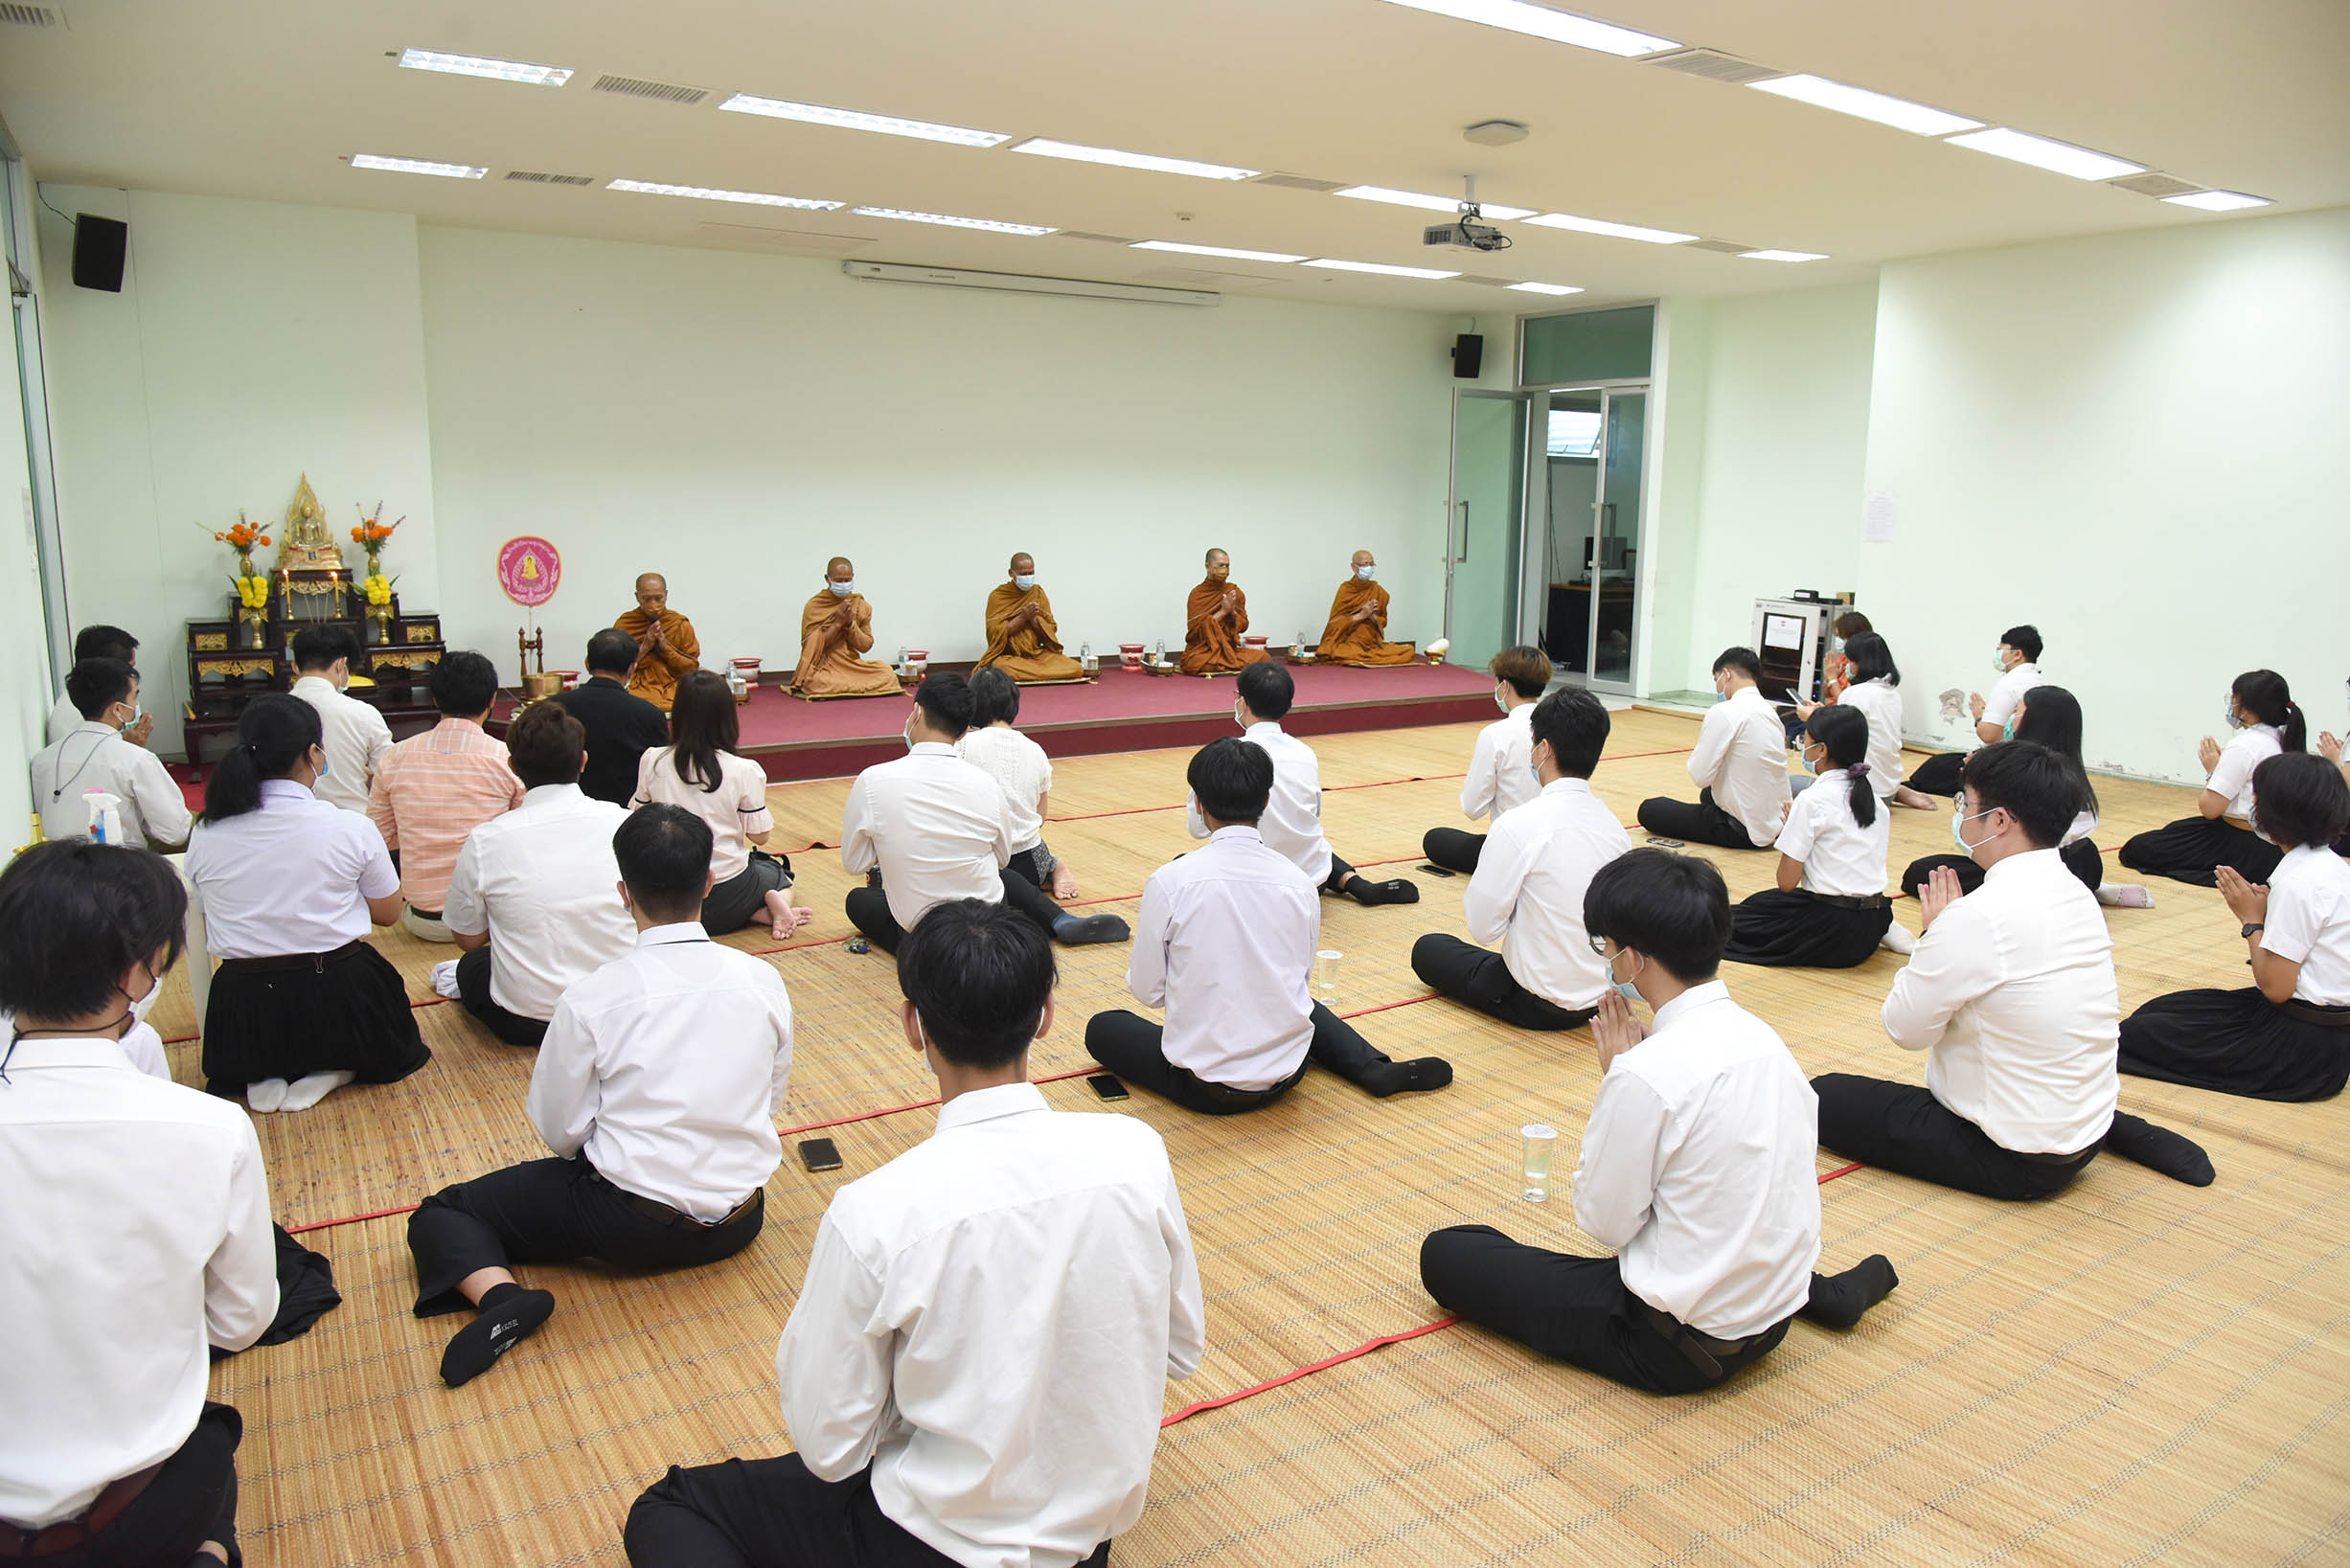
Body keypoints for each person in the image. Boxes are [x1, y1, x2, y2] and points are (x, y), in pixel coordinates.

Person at [623, 898, 1203, 1568]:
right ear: (1045, 1014)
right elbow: (1181, 1349)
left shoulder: (875, 1210)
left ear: (913, 1026)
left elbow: (830, 1448)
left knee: (671, 1506)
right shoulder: (1135, 1152)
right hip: (1082, 1546)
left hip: (925, 1542)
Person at [1418, 850, 1898, 1395]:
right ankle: (1824, 1297)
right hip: (1773, 1316)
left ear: (1633, 959)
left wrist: (1619, 1080)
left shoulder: (1646, 1074)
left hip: (1675, 1346)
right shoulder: (1764, 1040)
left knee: (1450, 1253)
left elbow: (1604, 1223)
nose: (1606, 960)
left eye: (1604, 946)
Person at [406, 807, 791, 1389]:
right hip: (741, 1218)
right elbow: (770, 1099)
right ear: (710, 883)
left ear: (623, 893)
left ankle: (502, 1298)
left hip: (628, 1226)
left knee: (446, 1212)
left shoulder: (594, 996)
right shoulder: (762, 979)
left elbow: (558, 1128)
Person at [0, 840, 275, 1567]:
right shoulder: (210, 1129)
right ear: (134, 973)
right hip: (134, 1511)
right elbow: (241, 1320)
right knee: (209, 1435)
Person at [1812, 741, 2214, 1199]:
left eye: (1966, 804)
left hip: (2014, 1157)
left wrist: (1935, 935)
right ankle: (2116, 1130)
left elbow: (1905, 1030)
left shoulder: (1977, 915)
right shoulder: (2076, 892)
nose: (1960, 815)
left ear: (2000, 820)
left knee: (1824, 1095)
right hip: (2087, 1127)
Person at [1086, 738, 1451, 1112]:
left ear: (1198, 803)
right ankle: (1370, 1067)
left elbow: (1148, 991)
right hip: (1290, 1072)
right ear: (1265, 801)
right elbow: (1299, 981)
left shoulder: (1170, 881)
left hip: (1208, 1088)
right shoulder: (1299, 882)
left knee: (1104, 1027)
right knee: (1287, 996)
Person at [188, 694, 428, 1112]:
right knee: (370, 971)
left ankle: (261, 1070)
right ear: (314, 753)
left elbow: (212, 911)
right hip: (334, 991)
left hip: (245, 1004)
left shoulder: (207, 830)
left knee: (266, 984)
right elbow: (389, 914)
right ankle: (336, 1066)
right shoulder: (349, 826)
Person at [2118, 754, 2350, 1101]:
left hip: (2299, 1050)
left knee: (2137, 1035)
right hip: (2317, 1032)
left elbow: (2276, 988)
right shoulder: (2328, 864)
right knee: (2166, 1009)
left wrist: (2251, 920)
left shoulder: (2300, 883)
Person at [841, 673, 1129, 952]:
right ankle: (1058, 920)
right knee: (1003, 876)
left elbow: (855, 862)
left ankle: (923, 952)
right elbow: (1001, 858)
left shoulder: (872, 779)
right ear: (964, 731)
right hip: (986, 922)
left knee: (859, 899)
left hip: (926, 929)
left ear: (916, 712)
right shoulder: (987, 783)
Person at [1411, 687, 1628, 1030]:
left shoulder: (1517, 825)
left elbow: (1483, 929)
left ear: (1543, 749)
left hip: (1536, 1002)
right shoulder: (1616, 828)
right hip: (1603, 998)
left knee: (1429, 949)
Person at [445, 702, 637, 1048]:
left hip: (529, 1022)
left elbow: (468, 939)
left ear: (512, 766)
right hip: (622, 1009)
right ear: (583, 761)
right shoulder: (624, 822)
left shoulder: (487, 839)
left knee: (471, 965)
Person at [1199, 661, 1419, 905]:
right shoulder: (1305, 753)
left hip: (1255, 886)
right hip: (1312, 883)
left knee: (1197, 858)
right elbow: (1312, 814)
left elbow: (1199, 828)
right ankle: (1356, 884)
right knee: (1305, 839)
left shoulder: (1225, 757)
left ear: (1243, 702)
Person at [631, 671, 810, 941]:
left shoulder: (653, 760)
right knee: (777, 872)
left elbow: (637, 818)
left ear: (678, 713)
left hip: (664, 897)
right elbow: (760, 837)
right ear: (727, 716)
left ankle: (756, 911)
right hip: (728, 892)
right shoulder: (743, 769)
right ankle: (765, 906)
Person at [368, 649, 524, 943]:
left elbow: (380, 837)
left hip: (422, 920)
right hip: (490, 922)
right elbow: (523, 836)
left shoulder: (395, 757)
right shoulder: (505, 759)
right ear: (493, 700)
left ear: (435, 699)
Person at [1720, 706, 1892, 969]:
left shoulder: (1812, 799)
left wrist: (1793, 829)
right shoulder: (1876, 803)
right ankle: (1891, 931)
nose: (1804, 748)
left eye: (1806, 742)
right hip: (1873, 923)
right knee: (1763, 903)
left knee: (1723, 926)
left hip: (1833, 929)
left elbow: (1786, 882)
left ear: (1822, 750)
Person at [1900, 685, 2110, 899]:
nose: (2010, 718)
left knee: (1923, 873)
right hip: (2085, 862)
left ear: (2035, 719)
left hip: (2035, 868)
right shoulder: (2067, 765)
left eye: (2017, 711)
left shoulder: (2027, 769)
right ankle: (2087, 889)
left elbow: (2009, 837)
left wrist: (1979, 777)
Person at [2120, 669, 2307, 888]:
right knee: (2176, 830)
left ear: (2247, 708)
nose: (2231, 705)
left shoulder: (2246, 745)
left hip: (2244, 841)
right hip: (2276, 842)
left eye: (2234, 699)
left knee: (2137, 849)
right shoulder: (2285, 737)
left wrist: (2213, 770)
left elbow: (2210, 809)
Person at [1636, 647, 1790, 852]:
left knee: (1650, 809)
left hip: (1740, 830)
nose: (1717, 687)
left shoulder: (1725, 712)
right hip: (1775, 824)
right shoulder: (1770, 713)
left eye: (1717, 679)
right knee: (1708, 795)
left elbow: (1700, 776)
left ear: (1727, 674)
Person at [31, 657, 191, 850]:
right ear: (117, 709)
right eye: (134, 697)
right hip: (120, 861)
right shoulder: (136, 759)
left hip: (59, 862)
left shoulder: (42, 759)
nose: (136, 705)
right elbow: (175, 832)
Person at [1424, 645, 1550, 873]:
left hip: (1512, 849)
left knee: (1435, 839)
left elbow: (1472, 807)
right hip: (1554, 844)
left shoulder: (1496, 734)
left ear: (1505, 685)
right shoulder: (1560, 726)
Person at [958, 667, 1079, 900]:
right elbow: (1040, 816)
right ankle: (1051, 867)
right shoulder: (1036, 749)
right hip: (1030, 864)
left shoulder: (961, 745)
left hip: (977, 862)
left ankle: (1052, 868)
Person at [1795, 630, 1936, 810]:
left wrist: (1811, 718)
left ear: (1860, 663)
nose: (1847, 666)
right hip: (1888, 786)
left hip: (1862, 794)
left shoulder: (1856, 694)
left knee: (1794, 781)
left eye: (1849, 661)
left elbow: (1836, 736)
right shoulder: (1892, 693)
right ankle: (1897, 792)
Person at [1907, 625, 2045, 797]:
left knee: (1935, 768)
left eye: (2001, 649)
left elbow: (1989, 735)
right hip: (2029, 760)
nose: (1997, 654)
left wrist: (1979, 718)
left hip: (2004, 760)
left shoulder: (2009, 683)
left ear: (2017, 654)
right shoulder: (2039, 681)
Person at [554, 628, 672, 806]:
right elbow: (659, 773)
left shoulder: (555, 707)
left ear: (587, 665)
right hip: (628, 814)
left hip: (566, 808)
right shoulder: (650, 715)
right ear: (632, 668)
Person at [288, 624, 393, 815]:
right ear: (341, 664)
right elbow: (391, 775)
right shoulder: (362, 713)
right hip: (354, 822)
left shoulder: (272, 713)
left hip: (292, 822)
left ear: (295, 667)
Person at [790, 557, 901, 699]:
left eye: (847, 580)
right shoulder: (814, 606)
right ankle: (855, 686)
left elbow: (865, 646)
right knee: (814, 681)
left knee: (887, 672)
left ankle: (846, 685)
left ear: (853, 577)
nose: (843, 584)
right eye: (838, 580)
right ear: (827, 579)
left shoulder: (861, 605)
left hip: (852, 665)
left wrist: (850, 624)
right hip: (824, 666)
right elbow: (810, 646)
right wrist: (837, 624)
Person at [975, 552, 1085, 683]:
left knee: (1076, 668)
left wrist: (1034, 620)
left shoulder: (1038, 593)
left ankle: (1035, 672)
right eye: (1023, 574)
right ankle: (1044, 673)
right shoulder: (998, 596)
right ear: (1011, 573)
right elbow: (994, 634)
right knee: (1001, 667)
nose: (1028, 577)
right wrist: (1023, 618)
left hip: (1037, 654)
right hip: (1009, 657)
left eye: (1031, 573)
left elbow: (1050, 631)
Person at [46, 625, 149, 746]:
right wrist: (129, 745)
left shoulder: (93, 698)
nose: (132, 675)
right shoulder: (79, 716)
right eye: (130, 668)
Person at [615, 572, 701, 711]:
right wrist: (645, 646)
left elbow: (691, 667)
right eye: (646, 599)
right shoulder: (626, 623)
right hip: (639, 687)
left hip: (674, 685)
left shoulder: (679, 624)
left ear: (666, 595)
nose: (653, 605)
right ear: (637, 597)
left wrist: (666, 648)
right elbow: (616, 666)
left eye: (658, 598)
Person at [1314, 549, 1414, 666]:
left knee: (1409, 650)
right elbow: (1333, 624)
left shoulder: (1378, 590)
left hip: (1371, 643)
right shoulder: (1346, 590)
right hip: (1351, 642)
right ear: (1354, 567)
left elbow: (1384, 621)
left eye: (1372, 564)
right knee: (1335, 651)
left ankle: (1367, 656)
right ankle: (1365, 656)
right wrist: (1361, 615)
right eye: (1365, 564)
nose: (1369, 568)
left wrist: (1374, 618)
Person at [1179, 548, 1269, 675]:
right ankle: (1227, 665)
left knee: (1264, 657)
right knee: (1193, 663)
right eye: (1220, 565)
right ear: (1207, 566)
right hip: (1203, 651)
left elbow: (1244, 626)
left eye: (1227, 566)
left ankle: (1225, 664)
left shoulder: (1234, 592)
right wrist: (1223, 612)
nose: (1225, 570)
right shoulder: (1197, 594)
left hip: (1229, 650)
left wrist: (1232, 613)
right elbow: (1194, 634)